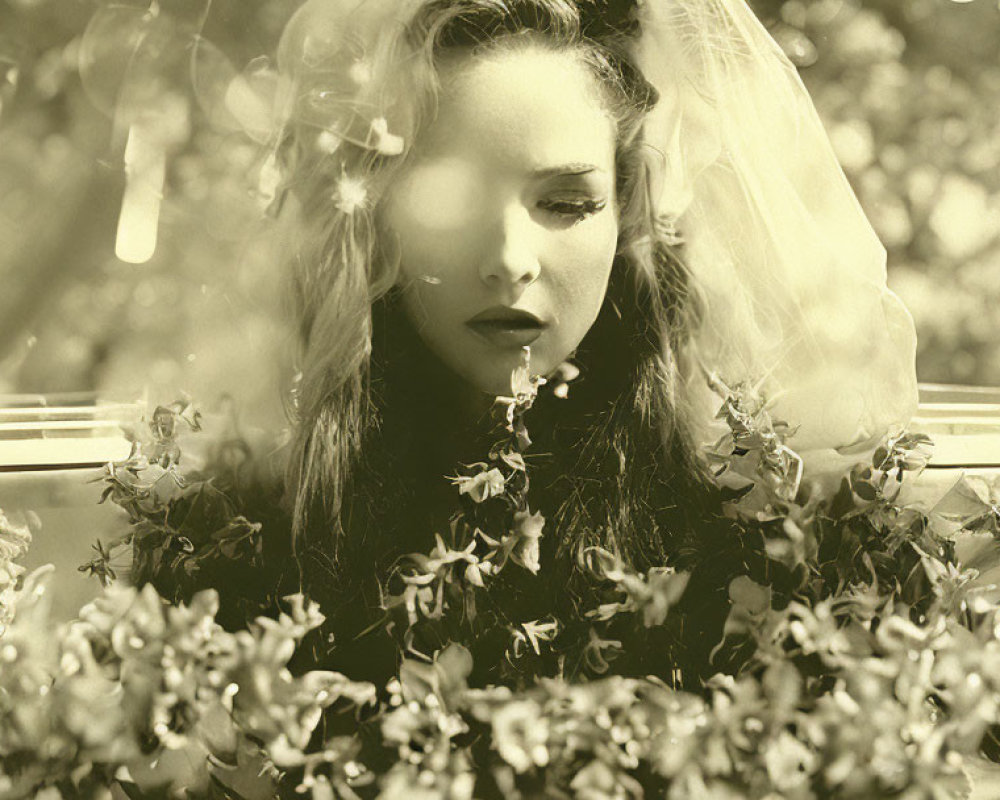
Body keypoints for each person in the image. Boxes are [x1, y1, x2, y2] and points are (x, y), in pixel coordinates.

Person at [220, 0, 919, 684]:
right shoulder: (256, 532)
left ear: (625, 224)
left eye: (565, 204)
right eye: (453, 199)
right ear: (379, 220)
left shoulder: (752, 540)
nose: (509, 258)